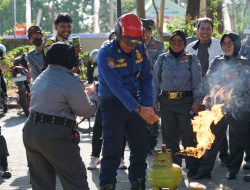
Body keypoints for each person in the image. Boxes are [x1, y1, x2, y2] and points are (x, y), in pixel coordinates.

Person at [22, 42, 99, 189]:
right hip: (55, 134)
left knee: (42, 185)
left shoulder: (42, 76)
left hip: (30, 131)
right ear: (67, 58)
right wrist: (94, 95)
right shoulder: (70, 79)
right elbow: (86, 110)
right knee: (76, 181)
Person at [97, 13, 159, 190]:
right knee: (112, 148)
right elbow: (117, 88)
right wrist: (140, 109)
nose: (131, 46)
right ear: (118, 35)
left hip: (137, 102)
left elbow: (146, 78)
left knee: (140, 147)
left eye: (135, 42)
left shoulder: (139, 50)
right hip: (113, 103)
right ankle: (107, 184)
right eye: (128, 42)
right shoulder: (106, 54)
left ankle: (138, 183)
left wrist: (147, 105)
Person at [192, 32, 250, 180]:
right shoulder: (217, 61)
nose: (226, 46)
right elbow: (208, 80)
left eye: (230, 43)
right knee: (212, 137)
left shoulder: (245, 62)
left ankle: (233, 170)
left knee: (237, 139)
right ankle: (205, 170)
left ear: (237, 44)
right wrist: (203, 98)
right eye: (223, 43)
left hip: (239, 106)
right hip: (218, 106)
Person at [153, 29, 203, 178]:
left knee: (189, 136)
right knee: (169, 138)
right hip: (166, 103)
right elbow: (154, 83)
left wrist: (197, 103)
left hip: (186, 103)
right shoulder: (162, 59)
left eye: (180, 41)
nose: (176, 44)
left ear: (184, 43)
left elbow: (198, 83)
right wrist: (153, 102)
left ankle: (193, 168)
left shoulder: (192, 59)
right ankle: (175, 168)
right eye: (173, 41)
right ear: (169, 43)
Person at [186, 17, 228, 165]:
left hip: (215, 91)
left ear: (212, 30)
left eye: (208, 28)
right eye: (202, 29)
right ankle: (201, 153)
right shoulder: (190, 47)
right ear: (197, 31)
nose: (205, 32)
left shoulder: (219, 44)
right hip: (196, 92)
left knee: (218, 124)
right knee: (198, 121)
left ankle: (224, 156)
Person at [87, 48, 127, 170]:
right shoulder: (99, 60)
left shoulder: (123, 61)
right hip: (104, 100)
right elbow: (93, 80)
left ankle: (120, 157)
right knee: (98, 128)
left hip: (121, 100)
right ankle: (94, 156)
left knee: (121, 129)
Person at [141, 18, 164, 153]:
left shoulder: (158, 45)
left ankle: (151, 143)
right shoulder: (135, 44)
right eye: (143, 30)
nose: (145, 33)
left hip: (153, 85)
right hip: (138, 85)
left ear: (151, 30)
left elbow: (159, 65)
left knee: (153, 114)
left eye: (148, 30)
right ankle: (142, 143)